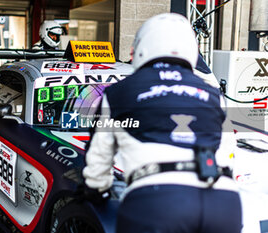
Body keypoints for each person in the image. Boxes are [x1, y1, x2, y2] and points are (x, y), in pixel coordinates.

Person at [82, 13, 242, 233]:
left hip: (157, 201)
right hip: (224, 204)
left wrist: (95, 190)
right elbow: (229, 152)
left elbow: (98, 159)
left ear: (142, 47)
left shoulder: (119, 93)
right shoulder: (214, 94)